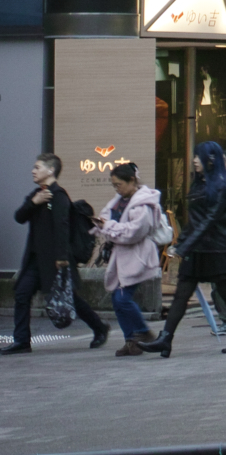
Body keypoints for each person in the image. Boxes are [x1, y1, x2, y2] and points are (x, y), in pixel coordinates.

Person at [138, 141, 226, 356]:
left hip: (217, 249)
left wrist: (184, 246)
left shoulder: (219, 185)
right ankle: (166, 338)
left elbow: (209, 220)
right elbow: (195, 221)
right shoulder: (200, 182)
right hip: (199, 249)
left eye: (199, 157)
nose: (194, 160)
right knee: (182, 294)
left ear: (210, 159)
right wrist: (181, 244)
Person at [10, 152, 109, 351]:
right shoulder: (37, 195)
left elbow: (63, 227)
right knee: (21, 294)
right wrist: (34, 203)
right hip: (35, 260)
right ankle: (22, 341)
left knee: (70, 299)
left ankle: (99, 328)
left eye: (37, 167)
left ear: (51, 170)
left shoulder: (59, 196)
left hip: (56, 260)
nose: (33, 171)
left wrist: (63, 257)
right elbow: (19, 217)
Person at [95, 162, 165, 354]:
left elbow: (134, 232)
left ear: (132, 180)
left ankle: (142, 333)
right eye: (114, 185)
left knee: (122, 298)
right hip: (124, 257)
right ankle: (132, 341)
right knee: (118, 300)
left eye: (119, 184)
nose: (117, 188)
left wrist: (107, 227)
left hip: (137, 256)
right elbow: (109, 221)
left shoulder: (143, 203)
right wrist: (102, 225)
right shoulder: (120, 199)